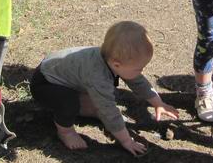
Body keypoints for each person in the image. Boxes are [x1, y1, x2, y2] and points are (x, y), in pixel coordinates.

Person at [30, 20, 179, 154]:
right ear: (116, 64)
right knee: (70, 104)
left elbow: (137, 81)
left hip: (63, 77)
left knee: (100, 98)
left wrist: (158, 103)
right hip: (45, 84)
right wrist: (127, 141)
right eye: (139, 69)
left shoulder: (113, 59)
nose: (141, 72)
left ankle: (88, 107)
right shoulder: (99, 77)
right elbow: (109, 111)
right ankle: (65, 131)